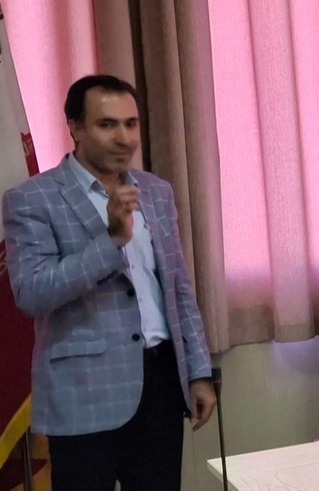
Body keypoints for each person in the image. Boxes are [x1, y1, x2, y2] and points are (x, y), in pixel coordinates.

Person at [2, 75, 215, 490]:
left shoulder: (156, 191)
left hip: (159, 385)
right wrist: (111, 241)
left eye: (131, 124)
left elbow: (178, 288)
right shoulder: (31, 199)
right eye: (107, 124)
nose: (124, 138)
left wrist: (198, 371)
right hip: (83, 395)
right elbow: (32, 293)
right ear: (75, 128)